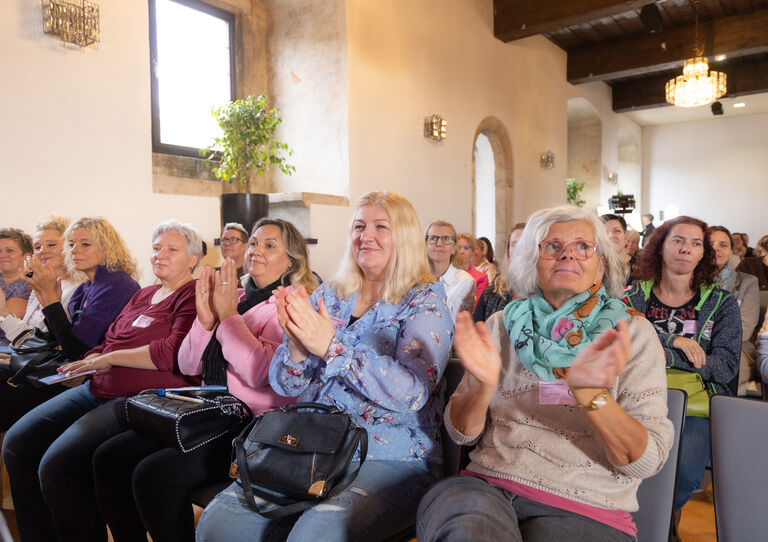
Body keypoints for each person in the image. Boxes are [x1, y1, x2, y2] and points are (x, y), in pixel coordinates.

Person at [196, 191, 453, 542]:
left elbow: (413, 392)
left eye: (381, 226)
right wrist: (299, 349)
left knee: (313, 536)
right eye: (359, 225)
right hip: (314, 444)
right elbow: (286, 385)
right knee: (218, 526)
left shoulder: (425, 297)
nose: (366, 235)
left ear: (405, 236)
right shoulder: (332, 293)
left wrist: (332, 347)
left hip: (391, 454)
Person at [418, 205, 673, 542]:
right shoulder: (502, 325)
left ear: (602, 266)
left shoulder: (633, 335)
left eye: (582, 246)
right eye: (552, 247)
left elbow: (644, 461)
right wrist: (482, 387)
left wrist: (591, 396)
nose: (567, 255)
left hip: (586, 504)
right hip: (486, 488)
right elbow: (461, 433)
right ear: (532, 263)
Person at [91, 218, 317, 542]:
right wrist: (205, 320)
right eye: (253, 243)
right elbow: (187, 362)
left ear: (292, 260)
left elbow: (261, 374)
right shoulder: (235, 295)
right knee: (108, 458)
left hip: (248, 426)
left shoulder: (294, 304)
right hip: (206, 409)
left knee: (153, 476)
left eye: (270, 245)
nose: (255, 251)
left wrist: (227, 318)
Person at [2, 219, 201, 542]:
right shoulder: (145, 294)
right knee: (17, 443)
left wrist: (106, 360)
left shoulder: (191, 295)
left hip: (138, 397)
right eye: (155, 248)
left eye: (172, 249)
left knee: (57, 466)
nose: (159, 255)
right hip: (96, 384)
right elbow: (110, 339)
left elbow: (171, 352)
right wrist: (86, 363)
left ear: (193, 258)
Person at [623, 216, 740, 518]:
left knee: (683, 477)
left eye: (696, 243)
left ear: (703, 254)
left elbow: (725, 366)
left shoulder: (722, 303)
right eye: (678, 240)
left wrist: (667, 356)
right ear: (660, 246)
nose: (686, 249)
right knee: (624, 470)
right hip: (632, 398)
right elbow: (620, 342)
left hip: (694, 408)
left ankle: (657, 526)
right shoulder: (631, 297)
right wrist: (674, 340)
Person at [0, 217, 140, 432]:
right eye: (72, 244)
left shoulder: (116, 284)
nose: (75, 250)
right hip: (67, 370)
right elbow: (58, 339)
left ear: (106, 247)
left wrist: (50, 299)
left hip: (90, 379)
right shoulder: (87, 286)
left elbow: (77, 351)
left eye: (85, 244)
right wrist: (48, 299)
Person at [0, 217, 82, 344]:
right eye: (37, 247)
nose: (43, 250)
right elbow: (27, 334)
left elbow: (47, 342)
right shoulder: (39, 284)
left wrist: (2, 314)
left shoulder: (78, 289)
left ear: (69, 245)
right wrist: (2, 314)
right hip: (26, 356)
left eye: (51, 244)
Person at [711, 225, 761, 394]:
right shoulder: (688, 281)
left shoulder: (747, 283)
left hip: (736, 348)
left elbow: (745, 329)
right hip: (695, 347)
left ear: (731, 250)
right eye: (710, 244)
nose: (716, 249)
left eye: (723, 245)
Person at [473, 223, 525, 322]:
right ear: (509, 251)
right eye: (515, 244)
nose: (520, 249)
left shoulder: (548, 293)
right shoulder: (492, 292)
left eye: (525, 243)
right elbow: (476, 329)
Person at [425, 220, 475, 323]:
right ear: (426, 244)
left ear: (454, 248)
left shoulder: (465, 281)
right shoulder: (416, 278)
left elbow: (455, 324)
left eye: (446, 239)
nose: (439, 243)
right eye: (433, 238)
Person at [0, 227, 34, 345]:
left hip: (7, 348)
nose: (3, 255)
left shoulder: (28, 286)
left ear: (27, 256)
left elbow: (3, 320)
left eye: (9, 250)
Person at [455, 233, 489, 306]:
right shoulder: (447, 273)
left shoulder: (481, 278)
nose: (461, 251)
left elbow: (477, 306)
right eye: (459, 248)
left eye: (466, 248)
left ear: (472, 252)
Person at [601, 213, 633, 284]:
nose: (611, 236)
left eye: (616, 231)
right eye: (605, 232)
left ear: (626, 236)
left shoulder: (641, 267)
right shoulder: (596, 269)